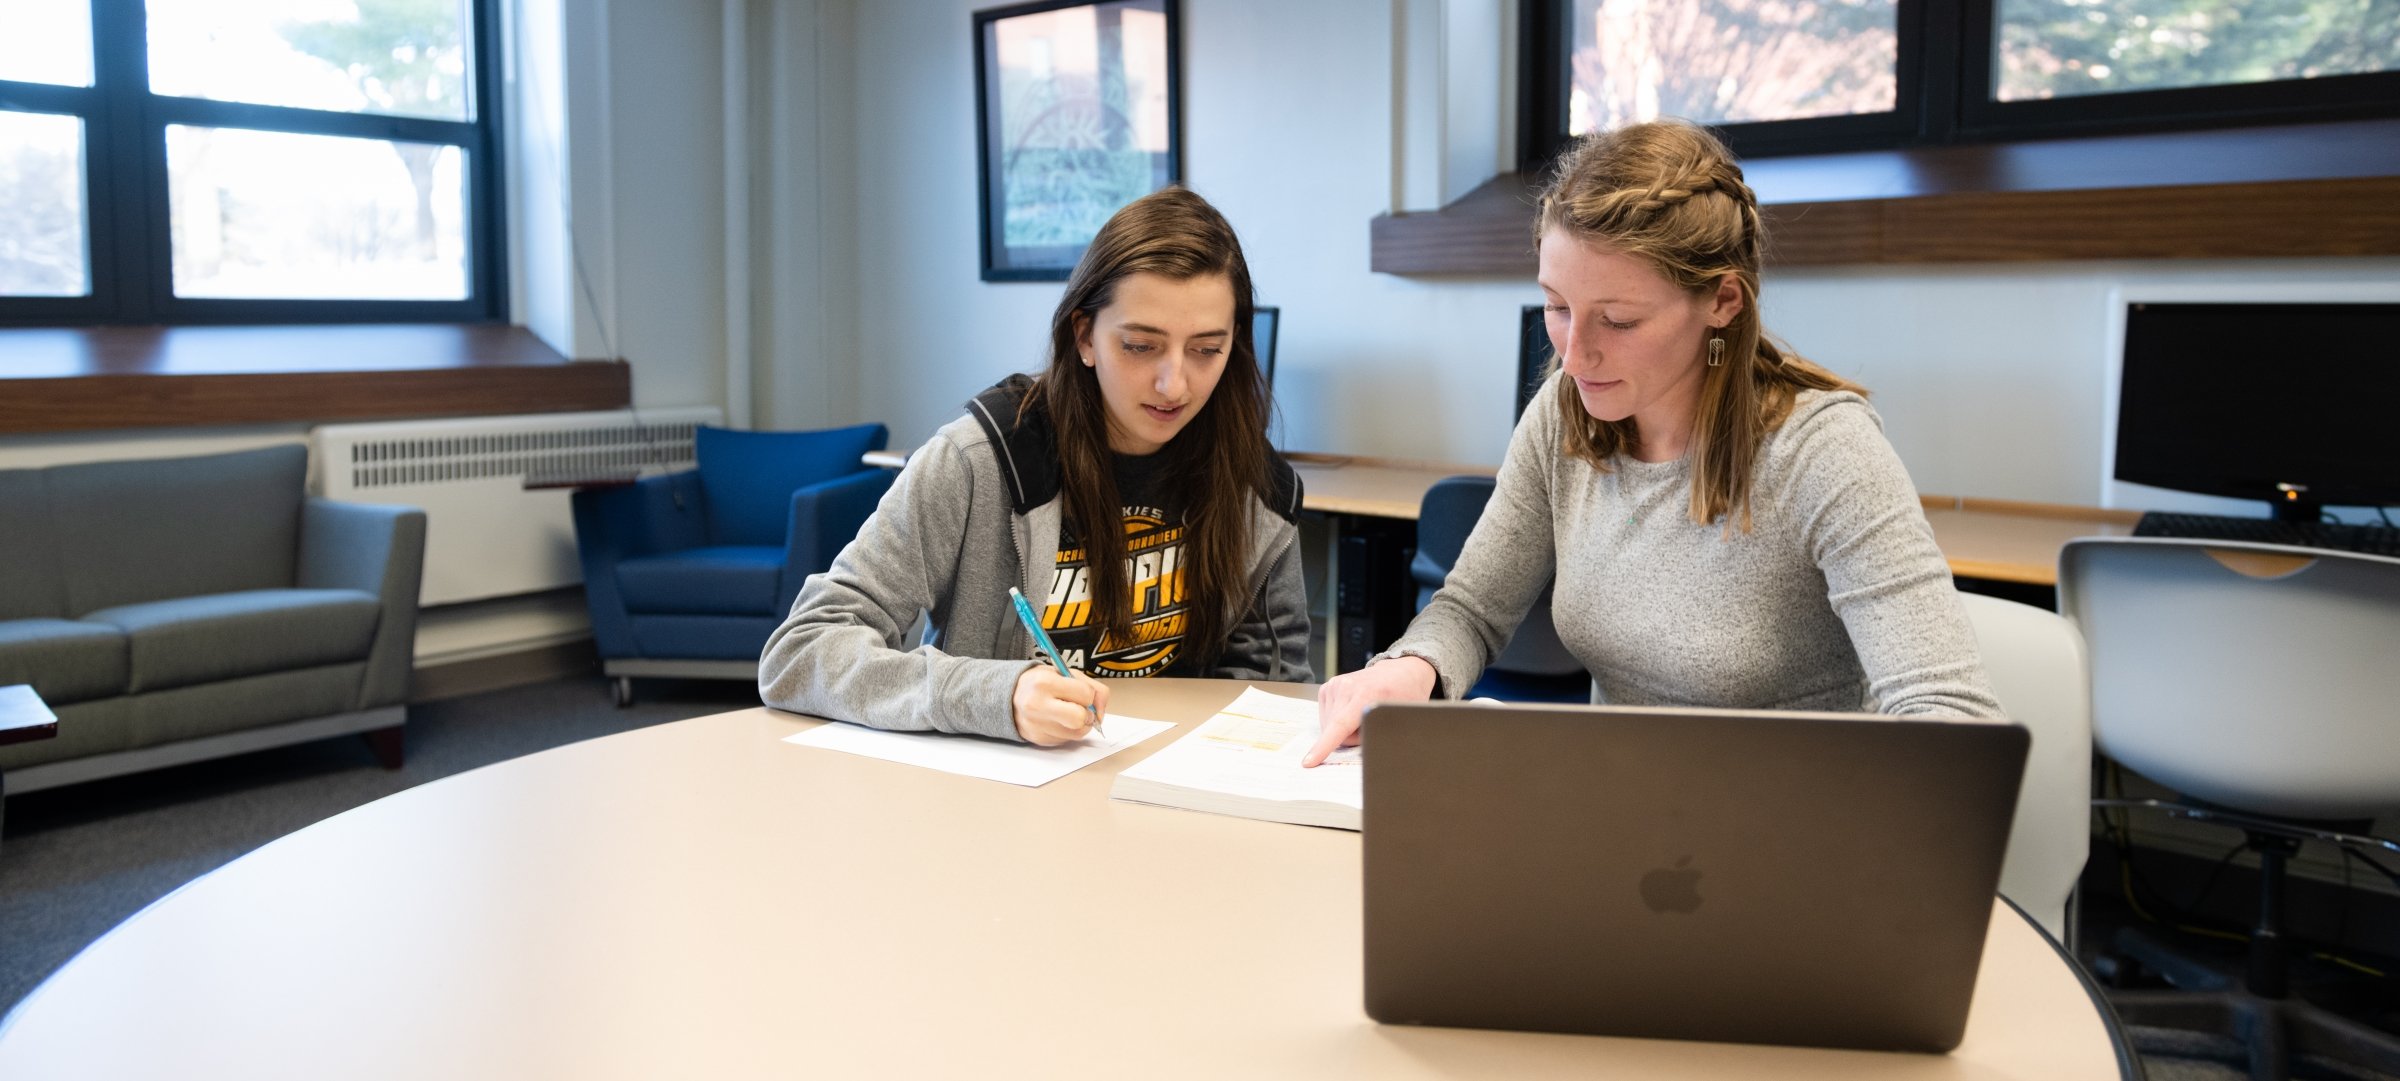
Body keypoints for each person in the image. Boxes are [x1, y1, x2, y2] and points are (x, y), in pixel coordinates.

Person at [1303, 119, 1999, 766]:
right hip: (1626, 828)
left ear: (1723, 302)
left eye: (1620, 321)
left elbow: (1953, 720)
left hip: (1792, 839)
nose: (1575, 357)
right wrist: (1409, 666)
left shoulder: (1824, 453)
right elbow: (1469, 610)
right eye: (1557, 307)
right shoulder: (1563, 417)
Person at [762, 186, 1312, 746]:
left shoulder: (1254, 486)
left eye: (1205, 350)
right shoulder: (979, 462)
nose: (1175, 384)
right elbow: (802, 651)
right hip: (1002, 800)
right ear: (1084, 336)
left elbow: (1277, 683)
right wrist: (998, 695)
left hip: (1166, 794)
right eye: (1141, 346)